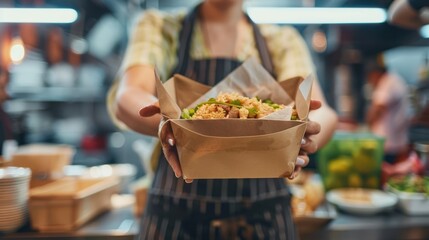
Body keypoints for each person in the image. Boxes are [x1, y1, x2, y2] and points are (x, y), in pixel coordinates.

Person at [107, 0, 338, 239]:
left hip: (264, 217)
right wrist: (172, 123)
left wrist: (302, 135)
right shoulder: (160, 26)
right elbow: (128, 95)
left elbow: (322, 112)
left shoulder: (281, 40)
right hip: (175, 216)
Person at [365, 57, 411, 164]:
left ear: (375, 74)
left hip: (388, 144)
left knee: (387, 174)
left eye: (370, 78)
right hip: (395, 141)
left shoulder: (387, 82)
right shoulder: (395, 79)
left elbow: (378, 108)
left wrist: (366, 126)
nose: (371, 82)